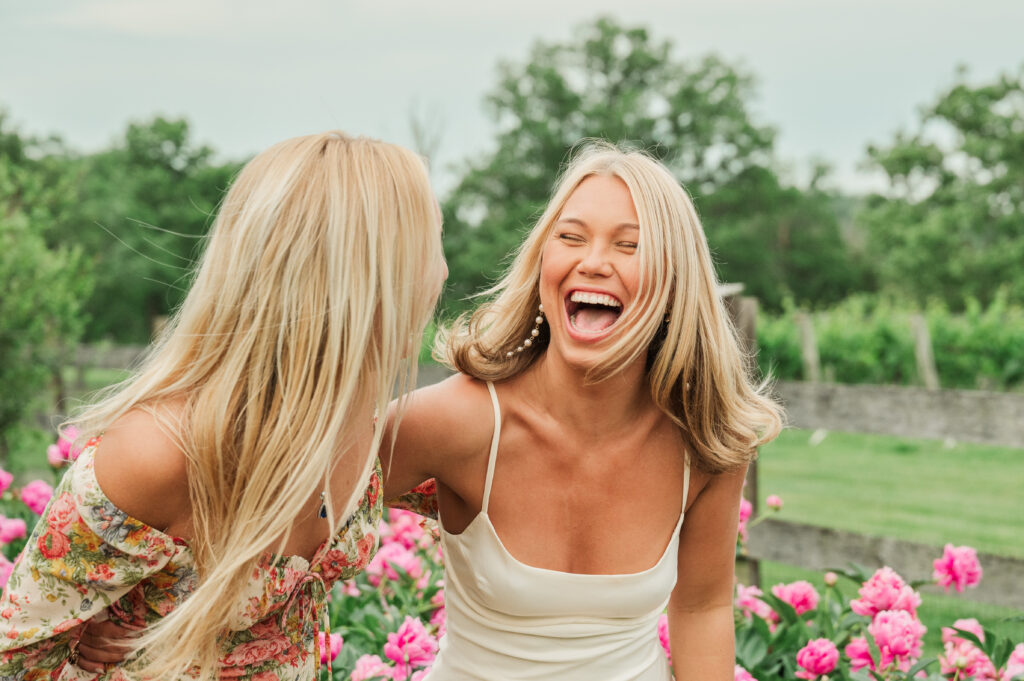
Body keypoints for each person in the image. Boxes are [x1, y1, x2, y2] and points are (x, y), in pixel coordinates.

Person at [0, 132, 447, 680]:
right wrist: (73, 649)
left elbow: (513, 466)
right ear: (372, 280)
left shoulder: (366, 428)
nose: (442, 274)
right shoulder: (160, 452)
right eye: (434, 246)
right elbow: (15, 653)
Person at [383, 142, 783, 680]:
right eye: (570, 237)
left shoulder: (707, 443)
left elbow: (701, 609)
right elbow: (289, 512)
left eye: (629, 245)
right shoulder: (454, 420)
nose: (592, 263)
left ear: (674, 282)